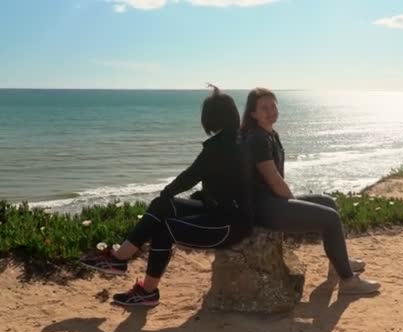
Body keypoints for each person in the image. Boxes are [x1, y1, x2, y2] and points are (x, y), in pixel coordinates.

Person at [80, 86, 253, 307]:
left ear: (210, 118)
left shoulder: (222, 146)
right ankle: (120, 261)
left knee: (164, 227)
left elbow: (190, 176)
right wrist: (169, 198)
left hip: (229, 224)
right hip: (218, 212)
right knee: (161, 207)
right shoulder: (233, 141)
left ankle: (142, 285)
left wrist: (168, 192)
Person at [241, 87, 381, 295]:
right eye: (264, 108)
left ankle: (337, 264)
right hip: (263, 209)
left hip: (272, 202)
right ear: (253, 113)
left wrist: (292, 202)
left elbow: (277, 180)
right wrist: (294, 204)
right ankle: (348, 282)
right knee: (330, 218)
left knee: (328, 202)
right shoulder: (257, 139)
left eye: (273, 106)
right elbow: (274, 179)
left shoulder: (270, 135)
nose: (271, 111)